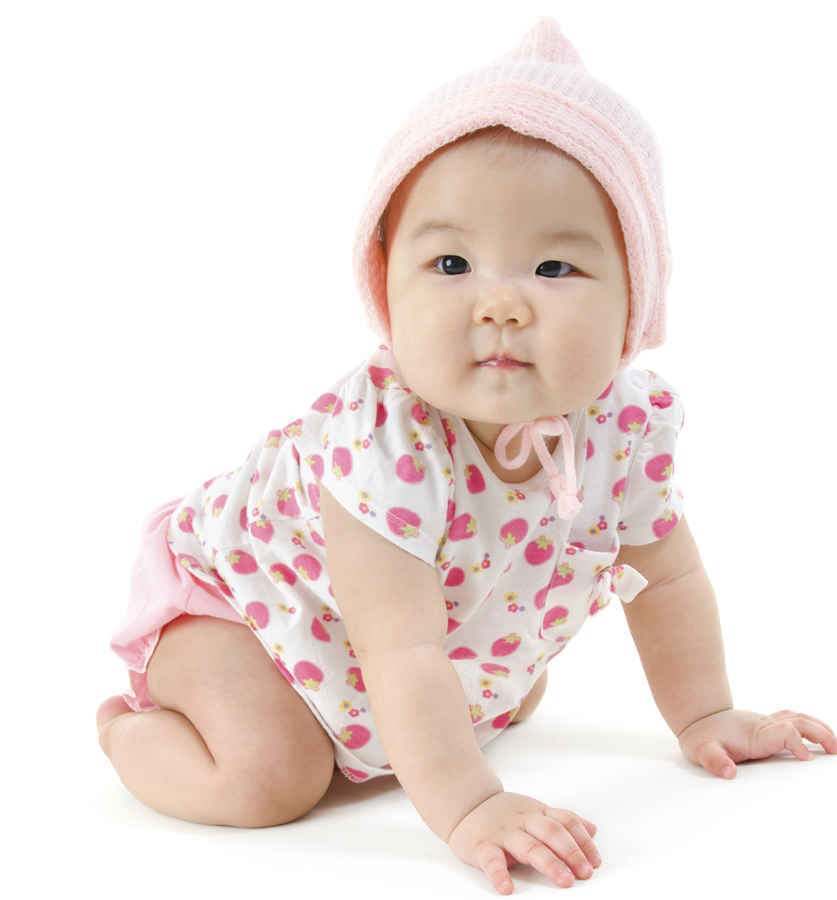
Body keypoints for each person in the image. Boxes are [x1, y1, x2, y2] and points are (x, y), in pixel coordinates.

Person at [96, 17, 836, 895]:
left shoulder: (628, 425)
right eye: (451, 263)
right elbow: (402, 650)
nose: (500, 307)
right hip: (247, 611)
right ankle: (128, 731)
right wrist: (470, 804)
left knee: (508, 695)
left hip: (399, 635)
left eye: (554, 269)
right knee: (271, 777)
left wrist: (705, 712)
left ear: (636, 300)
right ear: (386, 286)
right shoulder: (383, 448)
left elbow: (667, 579)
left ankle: (387, 730)